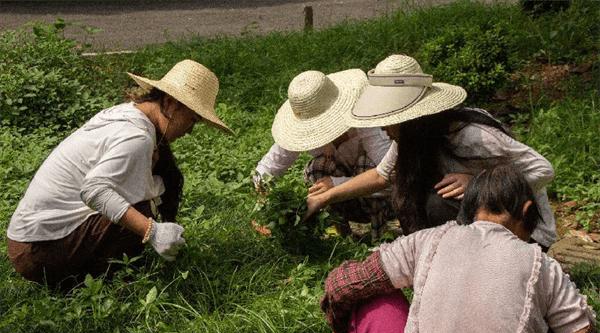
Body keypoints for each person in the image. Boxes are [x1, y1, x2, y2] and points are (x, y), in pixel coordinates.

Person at [321, 165, 598, 333]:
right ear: (527, 211)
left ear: (468, 208)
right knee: (550, 318)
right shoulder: (544, 267)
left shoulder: (429, 239)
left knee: (374, 294)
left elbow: (344, 285)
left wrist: (338, 324)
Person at [6, 59, 231, 290]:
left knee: (152, 186)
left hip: (26, 241)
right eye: (191, 120)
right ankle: (100, 284)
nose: (190, 130)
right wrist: (151, 231)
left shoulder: (128, 114)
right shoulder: (136, 136)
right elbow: (93, 190)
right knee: (143, 210)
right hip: (37, 252)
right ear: (171, 103)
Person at [306, 54, 557, 249]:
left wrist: (479, 184)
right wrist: (327, 196)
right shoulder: (411, 140)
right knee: (407, 193)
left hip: (527, 234)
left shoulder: (470, 134)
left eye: (388, 119)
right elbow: (381, 176)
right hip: (482, 225)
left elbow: (543, 169)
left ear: (411, 119)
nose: (382, 127)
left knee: (435, 204)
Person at [253, 68, 394, 238]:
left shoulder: (365, 120)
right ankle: (344, 235)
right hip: (345, 200)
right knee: (317, 168)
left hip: (387, 199)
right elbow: (269, 167)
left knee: (366, 164)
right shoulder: (304, 126)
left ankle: (380, 235)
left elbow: (391, 177)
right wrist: (264, 202)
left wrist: (336, 184)